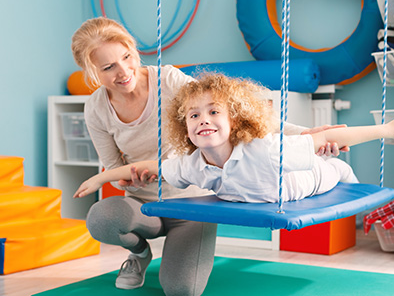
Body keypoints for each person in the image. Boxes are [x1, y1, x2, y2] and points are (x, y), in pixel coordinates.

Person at [71, 18, 347, 295]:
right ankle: (140, 254)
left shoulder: (167, 80)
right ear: (91, 71)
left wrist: (306, 133)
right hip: (145, 207)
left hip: (192, 205)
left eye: (127, 57)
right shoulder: (96, 109)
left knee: (181, 289)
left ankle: (179, 252)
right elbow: (115, 169)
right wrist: (127, 180)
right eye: (109, 67)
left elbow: (235, 113)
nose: (123, 71)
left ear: (133, 50)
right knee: (102, 218)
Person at [73, 73, 393, 204]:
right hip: (265, 189)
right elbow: (152, 166)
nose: (204, 121)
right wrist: (104, 177)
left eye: (214, 112)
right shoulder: (192, 165)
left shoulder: (264, 149)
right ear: (185, 128)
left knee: (331, 159)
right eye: (194, 116)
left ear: (234, 120)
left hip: (312, 178)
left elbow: (329, 138)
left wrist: (384, 131)